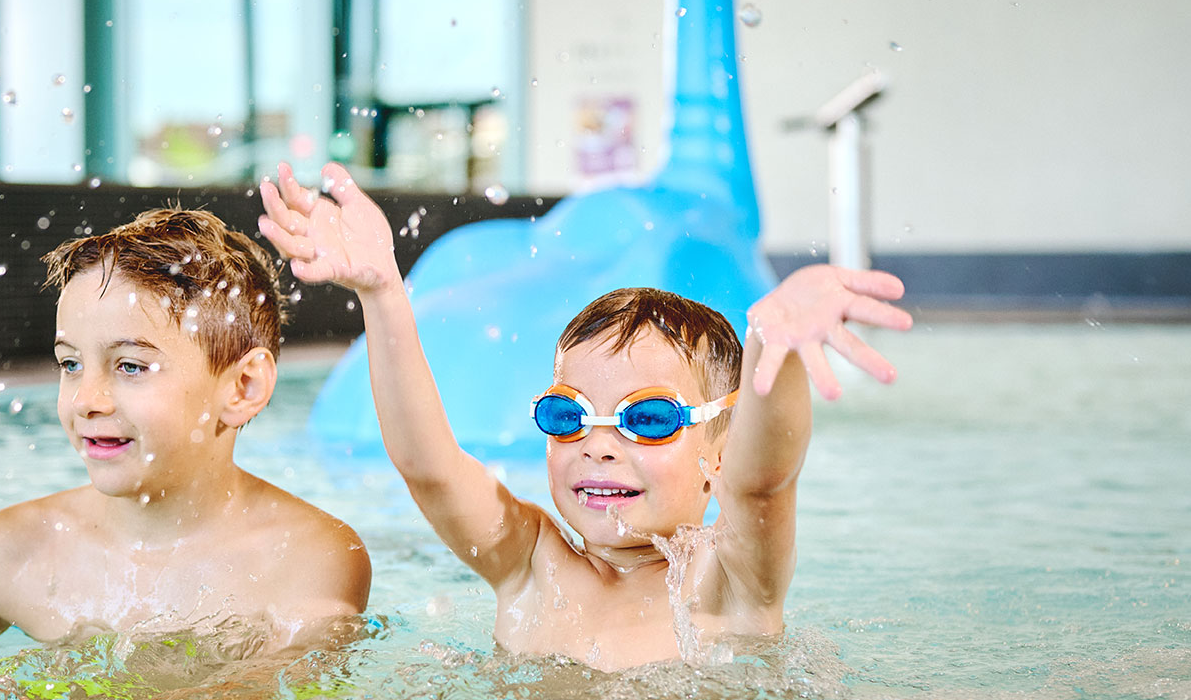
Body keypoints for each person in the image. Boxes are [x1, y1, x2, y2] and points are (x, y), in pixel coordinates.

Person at [257, 163, 911, 670]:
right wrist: (382, 290)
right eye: (569, 416)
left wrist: (776, 344)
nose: (597, 445)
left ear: (719, 447)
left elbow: (762, 483)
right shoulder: (530, 563)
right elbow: (428, 466)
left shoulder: (726, 580)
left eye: (648, 419)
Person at [0, 208, 371, 654]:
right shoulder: (12, 546)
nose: (87, 400)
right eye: (70, 363)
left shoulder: (308, 557)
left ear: (243, 387)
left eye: (130, 366)